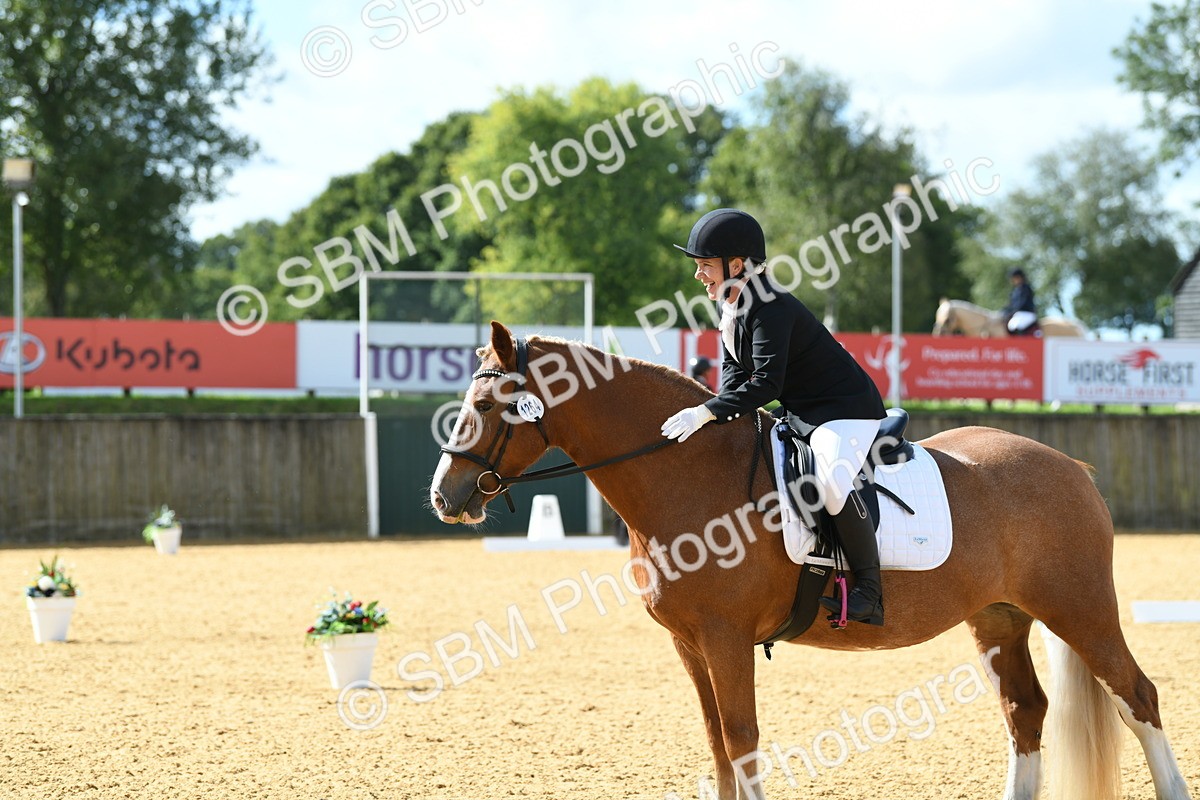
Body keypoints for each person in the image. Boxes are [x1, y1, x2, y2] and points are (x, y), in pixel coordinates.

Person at [659, 208, 888, 626]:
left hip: (845, 410)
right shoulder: (730, 306)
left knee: (831, 480)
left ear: (737, 264)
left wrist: (705, 413)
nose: (698, 276)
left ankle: (870, 591)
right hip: (804, 412)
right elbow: (733, 381)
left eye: (705, 266)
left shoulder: (771, 306)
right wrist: (714, 411)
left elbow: (766, 384)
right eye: (697, 266)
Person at [1002, 268, 1038, 335]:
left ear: (1020, 277)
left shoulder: (1025, 288)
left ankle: (1022, 343)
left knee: (1015, 326)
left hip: (1026, 314)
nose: (1013, 280)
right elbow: (1011, 304)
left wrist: (1012, 311)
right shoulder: (1015, 291)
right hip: (1018, 314)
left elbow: (1021, 304)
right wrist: (1004, 311)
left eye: (1014, 278)